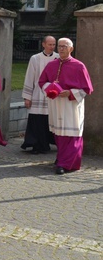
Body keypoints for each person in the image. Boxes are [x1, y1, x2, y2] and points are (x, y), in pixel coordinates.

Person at [38, 38, 93, 175]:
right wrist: (51, 89)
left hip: (71, 104)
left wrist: (70, 93)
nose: (61, 48)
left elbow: (87, 89)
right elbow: (42, 82)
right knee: (59, 134)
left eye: (64, 46)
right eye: (59, 46)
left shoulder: (79, 66)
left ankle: (65, 163)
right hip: (56, 102)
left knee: (72, 134)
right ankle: (62, 159)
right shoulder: (51, 65)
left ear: (71, 49)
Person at [21, 36, 58, 154]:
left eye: (53, 44)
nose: (52, 47)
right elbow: (29, 77)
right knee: (37, 120)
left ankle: (47, 143)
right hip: (37, 93)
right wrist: (27, 97)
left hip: (53, 94)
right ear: (43, 44)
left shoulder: (58, 58)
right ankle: (36, 144)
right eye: (49, 44)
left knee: (49, 120)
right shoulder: (35, 58)